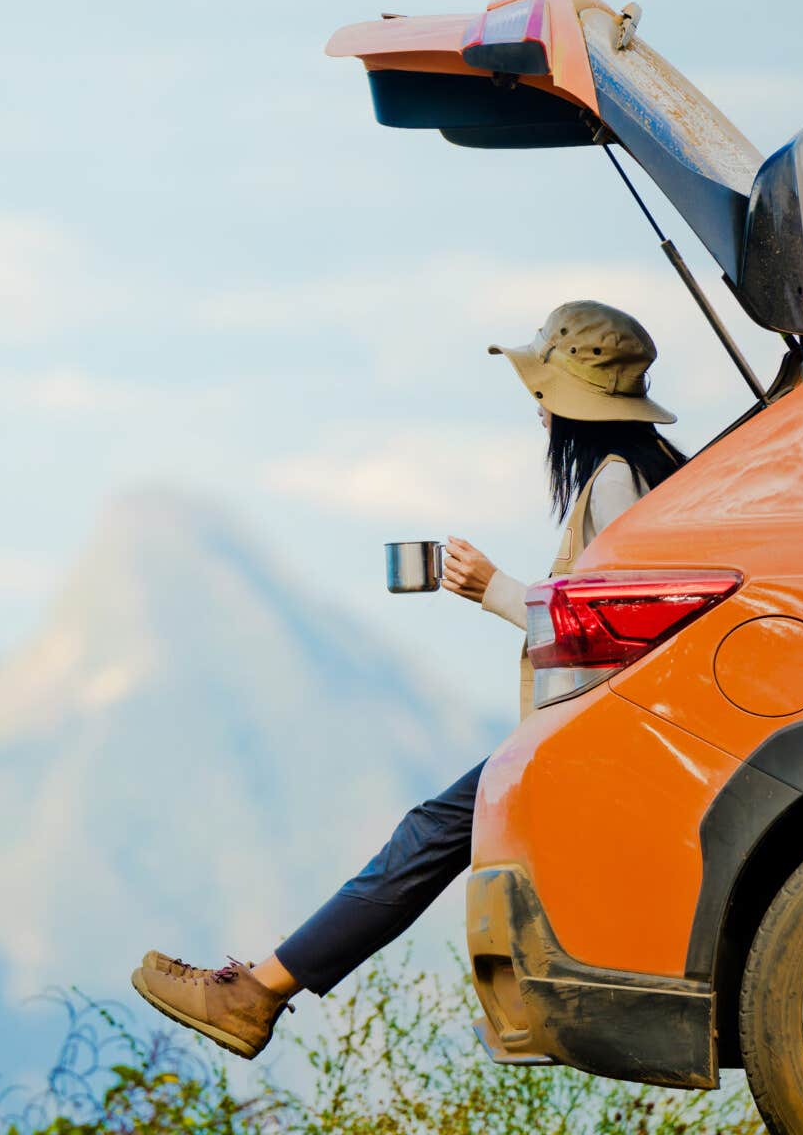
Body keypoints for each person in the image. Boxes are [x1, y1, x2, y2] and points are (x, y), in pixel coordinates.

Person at [127, 300, 688, 1059]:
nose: (540, 416)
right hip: (619, 726)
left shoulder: (618, 483)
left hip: (606, 731)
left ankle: (254, 995)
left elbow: (625, 632)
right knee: (436, 831)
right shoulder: (661, 469)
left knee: (430, 835)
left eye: (542, 397)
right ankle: (259, 989)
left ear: (565, 403)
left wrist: (492, 588)